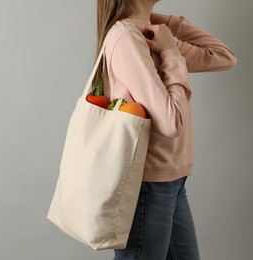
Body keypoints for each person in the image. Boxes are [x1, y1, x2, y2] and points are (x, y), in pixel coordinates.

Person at [93, 0, 237, 259]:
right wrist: (170, 52)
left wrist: (169, 24)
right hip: (148, 184)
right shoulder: (127, 37)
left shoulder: (153, 33)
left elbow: (224, 56)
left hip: (173, 182)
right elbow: (171, 121)